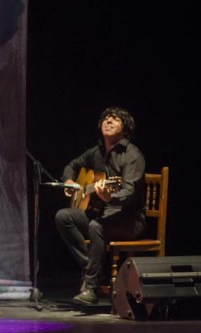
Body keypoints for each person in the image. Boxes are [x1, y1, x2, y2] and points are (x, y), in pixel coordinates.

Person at [54, 106, 146, 306]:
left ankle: (91, 288)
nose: (109, 120)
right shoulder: (95, 152)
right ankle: (91, 268)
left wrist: (109, 198)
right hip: (101, 215)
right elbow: (72, 165)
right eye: (106, 117)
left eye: (115, 119)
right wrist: (69, 181)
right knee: (64, 216)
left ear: (126, 128)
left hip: (129, 219)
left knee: (97, 226)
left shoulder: (132, 155)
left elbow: (129, 192)